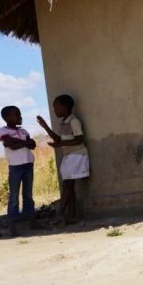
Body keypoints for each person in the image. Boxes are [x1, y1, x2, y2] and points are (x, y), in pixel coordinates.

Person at [36, 94, 89, 225]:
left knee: (67, 185)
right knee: (69, 187)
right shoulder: (64, 122)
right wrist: (46, 127)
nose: (54, 110)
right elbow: (59, 139)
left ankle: (60, 215)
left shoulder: (74, 121)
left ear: (64, 107)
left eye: (56, 107)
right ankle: (71, 216)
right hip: (69, 156)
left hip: (76, 155)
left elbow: (79, 139)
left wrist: (60, 144)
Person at [0, 105, 37, 237]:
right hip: (15, 167)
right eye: (17, 115)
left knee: (28, 195)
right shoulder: (3, 131)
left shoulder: (23, 131)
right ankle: (12, 226)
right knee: (14, 197)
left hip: (28, 165)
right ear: (7, 117)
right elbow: (11, 145)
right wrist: (25, 143)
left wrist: (19, 142)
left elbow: (33, 144)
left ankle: (31, 221)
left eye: (20, 114)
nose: (20, 117)